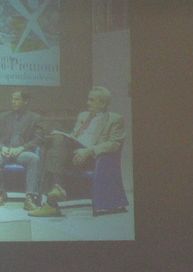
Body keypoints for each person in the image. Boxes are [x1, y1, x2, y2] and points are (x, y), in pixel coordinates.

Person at [29, 85, 125, 218]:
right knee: (51, 140)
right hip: (74, 153)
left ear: (103, 103)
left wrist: (88, 151)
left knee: (57, 140)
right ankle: (53, 194)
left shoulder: (115, 119)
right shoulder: (83, 115)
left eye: (92, 100)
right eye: (88, 99)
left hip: (92, 157)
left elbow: (115, 144)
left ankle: (51, 199)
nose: (87, 103)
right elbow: (74, 135)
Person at [0, 89, 43, 209]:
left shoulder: (35, 118)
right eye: (12, 99)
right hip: (4, 151)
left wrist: (21, 148)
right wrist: (2, 147)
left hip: (22, 152)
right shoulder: (3, 117)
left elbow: (39, 139)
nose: (13, 102)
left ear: (26, 101)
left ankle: (30, 197)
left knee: (34, 159)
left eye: (17, 99)